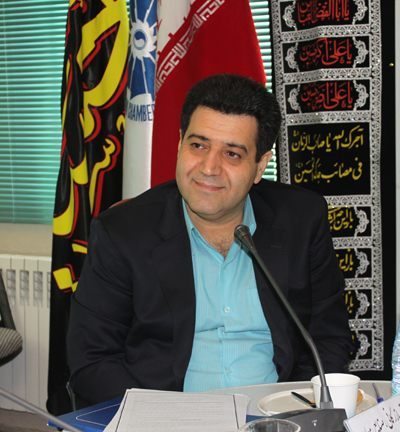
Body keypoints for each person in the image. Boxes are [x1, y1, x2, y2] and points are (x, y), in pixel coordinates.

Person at [67, 74, 352, 405]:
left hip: (275, 415)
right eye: (198, 145)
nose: (209, 167)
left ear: (260, 165)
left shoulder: (302, 219)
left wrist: (292, 409)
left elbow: (327, 338)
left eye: (232, 154)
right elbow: (92, 359)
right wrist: (159, 420)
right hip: (167, 416)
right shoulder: (122, 233)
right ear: (179, 143)